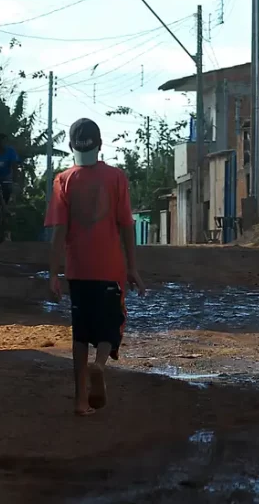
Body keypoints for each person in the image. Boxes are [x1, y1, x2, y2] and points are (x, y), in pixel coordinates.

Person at [45, 118, 146, 417]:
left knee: (80, 335)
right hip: (109, 268)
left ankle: (80, 401)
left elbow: (58, 232)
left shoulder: (63, 181)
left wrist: (53, 273)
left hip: (78, 270)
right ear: (100, 145)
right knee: (108, 326)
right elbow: (127, 225)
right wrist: (133, 267)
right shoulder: (117, 178)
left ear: (70, 147)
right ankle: (99, 364)